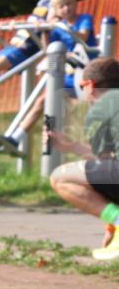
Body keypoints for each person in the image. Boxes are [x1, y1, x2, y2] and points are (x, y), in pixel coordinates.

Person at [0, 0, 98, 155]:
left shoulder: (83, 19)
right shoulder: (57, 28)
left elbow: (82, 36)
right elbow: (48, 50)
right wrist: (44, 31)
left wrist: (59, 26)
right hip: (67, 75)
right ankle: (18, 138)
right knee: (43, 102)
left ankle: (97, 149)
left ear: (75, 3)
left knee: (89, 112)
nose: (66, 9)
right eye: (61, 6)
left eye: (69, 4)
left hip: (85, 75)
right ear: (56, 10)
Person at [48, 57, 119, 261]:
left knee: (61, 177)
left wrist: (71, 147)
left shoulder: (102, 106)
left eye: (81, 86)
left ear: (91, 85)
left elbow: (103, 160)